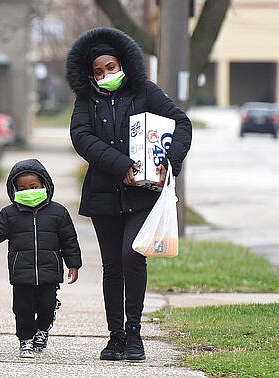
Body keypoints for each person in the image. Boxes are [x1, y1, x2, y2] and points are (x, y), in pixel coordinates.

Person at [66, 27, 192, 361]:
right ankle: (115, 336)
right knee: (112, 266)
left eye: (110, 67)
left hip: (143, 196)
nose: (106, 74)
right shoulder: (87, 101)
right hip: (104, 194)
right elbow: (81, 137)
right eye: (98, 71)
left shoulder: (145, 92)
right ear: (90, 75)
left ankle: (135, 334)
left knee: (132, 255)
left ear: (122, 64)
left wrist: (170, 161)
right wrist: (120, 164)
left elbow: (181, 123)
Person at [0, 159, 82, 358]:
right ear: (14, 190)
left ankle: (42, 330)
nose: (29, 192)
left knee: (47, 306)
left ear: (45, 186)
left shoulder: (58, 212)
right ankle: (25, 340)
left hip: (49, 272)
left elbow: (69, 240)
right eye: (22, 188)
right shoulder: (10, 214)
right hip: (21, 273)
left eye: (34, 187)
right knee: (23, 309)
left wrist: (73, 264)